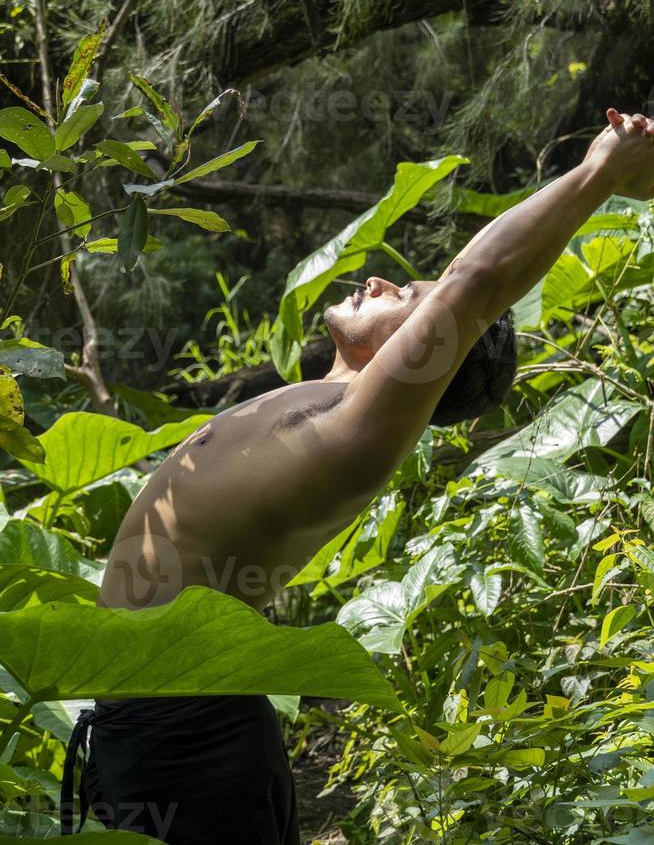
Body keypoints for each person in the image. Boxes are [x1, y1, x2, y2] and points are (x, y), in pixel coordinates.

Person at [60, 108, 654, 843]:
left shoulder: (357, 434)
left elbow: (480, 278)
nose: (379, 280)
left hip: (192, 739)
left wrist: (604, 169)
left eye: (407, 297)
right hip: (147, 725)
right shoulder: (312, 400)